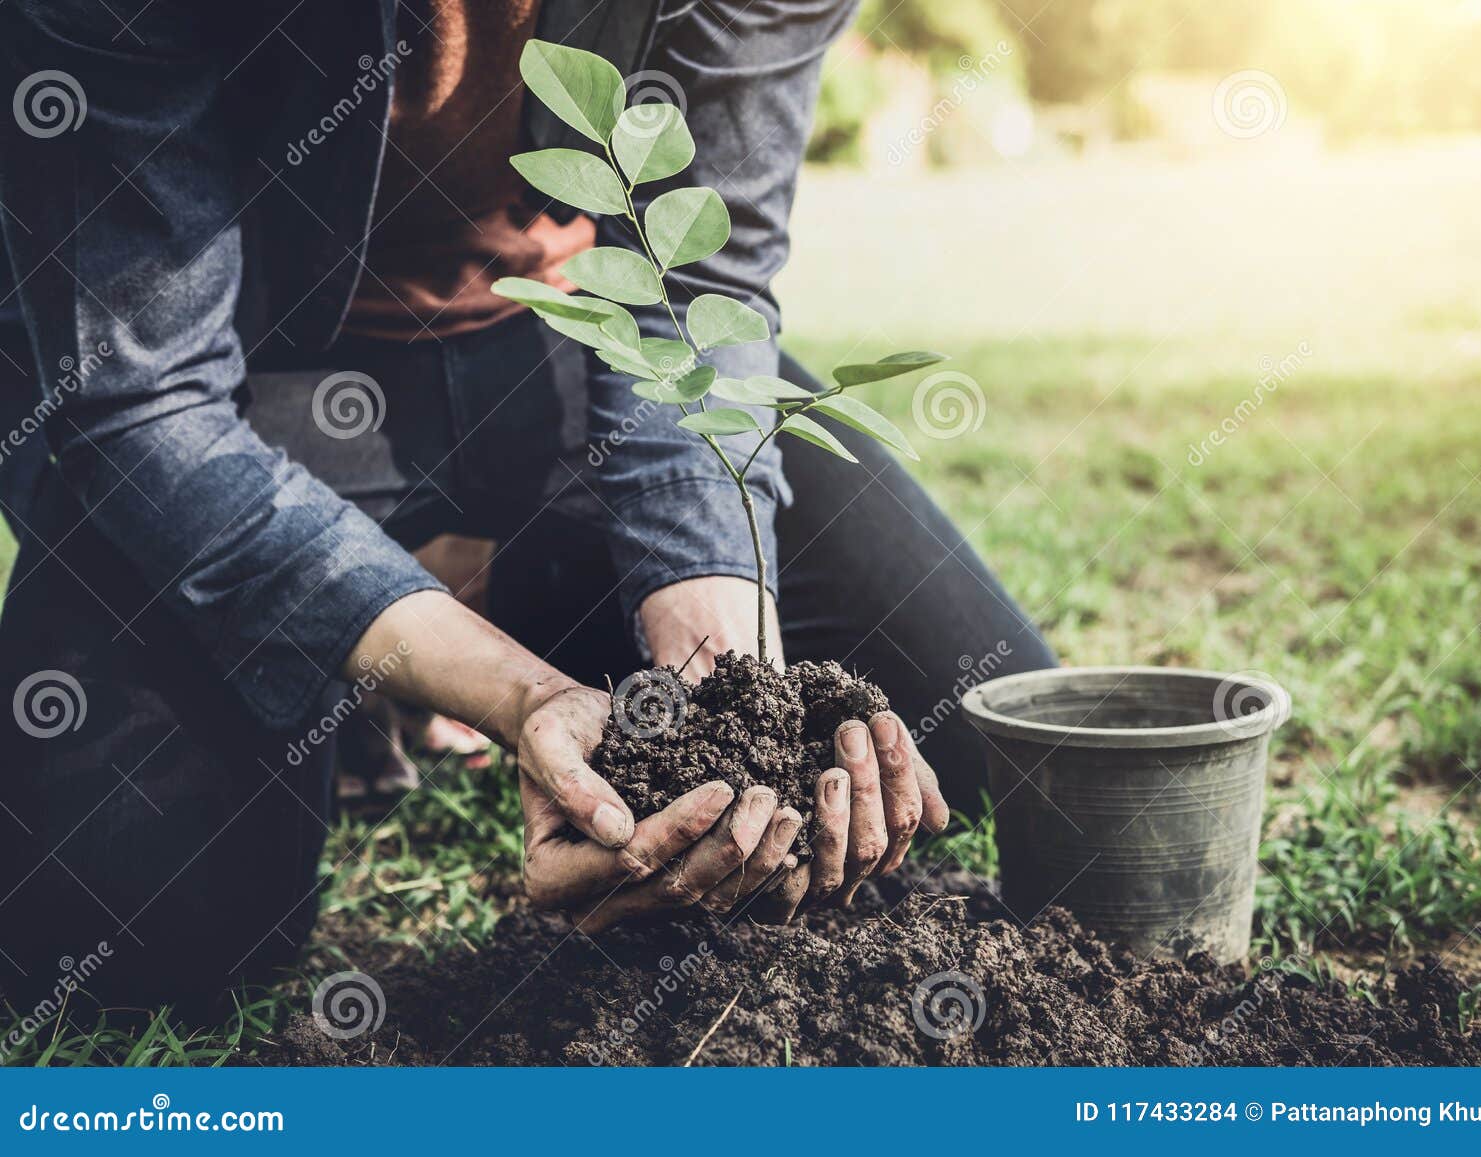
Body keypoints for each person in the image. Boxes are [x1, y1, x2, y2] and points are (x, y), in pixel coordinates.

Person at [0, 0, 1054, 1011]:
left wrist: (736, 690)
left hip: (555, 353)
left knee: (968, 730)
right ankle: (394, 625)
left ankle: (455, 586)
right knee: (136, 920)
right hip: (245, 386)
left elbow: (694, 290)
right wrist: (518, 696)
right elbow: (148, 402)